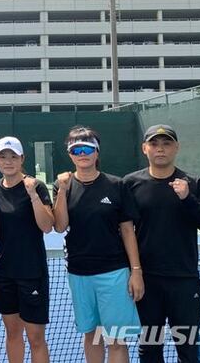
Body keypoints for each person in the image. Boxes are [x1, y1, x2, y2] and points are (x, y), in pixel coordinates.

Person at [123, 124, 200, 363]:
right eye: (154, 144)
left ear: (176, 147)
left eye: (166, 143)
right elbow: (123, 230)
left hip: (184, 281)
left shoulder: (195, 183)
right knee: (149, 348)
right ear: (144, 148)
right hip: (147, 283)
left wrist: (188, 198)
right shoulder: (130, 183)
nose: (160, 149)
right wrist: (134, 272)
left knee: (188, 349)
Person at [53, 126, 144, 363]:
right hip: (79, 274)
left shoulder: (116, 185)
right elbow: (60, 226)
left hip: (114, 273)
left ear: (97, 152)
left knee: (116, 340)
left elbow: (128, 230)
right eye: (77, 149)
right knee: (92, 336)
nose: (83, 154)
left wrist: (136, 271)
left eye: (88, 148)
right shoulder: (62, 186)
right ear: (70, 154)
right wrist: (61, 191)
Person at [0, 136, 54, 363]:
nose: (8, 161)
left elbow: (47, 226)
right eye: (3, 157)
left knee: (36, 338)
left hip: (32, 273)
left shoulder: (36, 186)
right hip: (5, 273)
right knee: (12, 333)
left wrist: (33, 196)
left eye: (13, 156)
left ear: (22, 159)